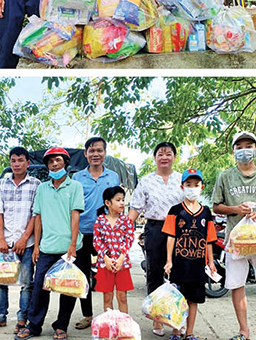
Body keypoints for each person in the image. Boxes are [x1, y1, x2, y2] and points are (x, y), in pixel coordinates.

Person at [212, 131, 256, 340]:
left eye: (248, 146)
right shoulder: (225, 176)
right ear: (233, 151)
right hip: (236, 241)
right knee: (236, 284)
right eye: (239, 147)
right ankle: (244, 331)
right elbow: (216, 207)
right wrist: (236, 209)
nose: (244, 150)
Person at [17, 147, 85, 340]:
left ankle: (61, 326)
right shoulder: (42, 188)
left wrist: (72, 245)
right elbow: (37, 218)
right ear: (47, 165)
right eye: (51, 161)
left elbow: (75, 216)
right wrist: (36, 246)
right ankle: (34, 326)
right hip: (47, 247)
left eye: (58, 161)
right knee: (39, 287)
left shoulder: (75, 187)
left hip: (69, 248)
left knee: (68, 290)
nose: (55, 164)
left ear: (65, 163)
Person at [127, 141, 183, 336]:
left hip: (180, 229)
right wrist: (124, 229)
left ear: (174, 157)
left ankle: (177, 318)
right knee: (155, 274)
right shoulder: (146, 180)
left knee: (179, 273)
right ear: (155, 157)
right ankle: (157, 319)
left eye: (168, 153)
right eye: (160, 153)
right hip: (155, 228)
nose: (164, 157)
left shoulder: (182, 179)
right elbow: (135, 208)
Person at [0, 147, 39, 333]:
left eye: (20, 160)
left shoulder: (36, 185)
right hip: (5, 243)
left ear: (27, 163)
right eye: (13, 160)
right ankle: (0, 317)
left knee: (26, 283)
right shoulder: (1, 184)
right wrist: (0, 239)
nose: (16, 164)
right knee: (0, 280)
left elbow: (35, 215)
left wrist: (24, 239)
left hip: (27, 243)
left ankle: (22, 319)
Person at [70, 137, 121, 330]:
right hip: (83, 232)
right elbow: (73, 208)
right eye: (91, 151)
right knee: (83, 276)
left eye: (99, 150)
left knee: (108, 274)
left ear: (105, 153)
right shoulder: (77, 178)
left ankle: (109, 313)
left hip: (106, 234)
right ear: (85, 154)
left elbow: (117, 205)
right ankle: (87, 315)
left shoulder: (113, 177)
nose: (95, 154)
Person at [163, 168, 217, 340]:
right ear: (182, 187)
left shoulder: (206, 212)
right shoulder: (175, 210)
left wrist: (211, 261)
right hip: (179, 264)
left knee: (194, 300)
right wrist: (169, 260)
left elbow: (209, 240)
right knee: (178, 299)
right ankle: (176, 331)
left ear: (202, 187)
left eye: (196, 184)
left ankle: (190, 332)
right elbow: (171, 237)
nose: (192, 187)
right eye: (188, 184)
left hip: (197, 265)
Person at [93, 186, 134, 314]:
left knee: (122, 296)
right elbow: (97, 241)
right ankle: (109, 325)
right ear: (107, 203)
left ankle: (123, 326)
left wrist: (121, 259)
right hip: (105, 264)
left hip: (122, 264)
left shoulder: (126, 220)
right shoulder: (100, 220)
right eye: (118, 200)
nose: (122, 203)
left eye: (123, 199)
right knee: (107, 297)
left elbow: (129, 239)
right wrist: (106, 259)